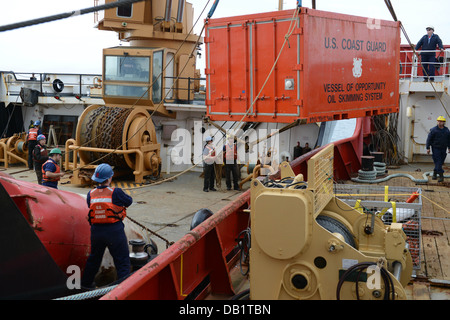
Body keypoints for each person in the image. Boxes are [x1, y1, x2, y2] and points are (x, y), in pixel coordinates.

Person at [81, 163, 132, 288]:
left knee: (93, 260)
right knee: (122, 261)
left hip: (96, 232)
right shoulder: (116, 192)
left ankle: (85, 286)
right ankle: (123, 289)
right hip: (114, 231)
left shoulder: (90, 193)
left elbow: (91, 206)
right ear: (110, 178)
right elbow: (129, 201)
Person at [426, 116, 450, 182]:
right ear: (437, 122)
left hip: (443, 148)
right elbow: (429, 139)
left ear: (444, 122)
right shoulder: (433, 130)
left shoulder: (446, 130)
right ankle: (441, 175)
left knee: (440, 162)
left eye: (441, 121)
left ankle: (435, 173)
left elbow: (448, 139)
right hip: (436, 148)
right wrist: (428, 148)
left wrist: (449, 147)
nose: (440, 122)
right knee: (438, 161)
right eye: (439, 121)